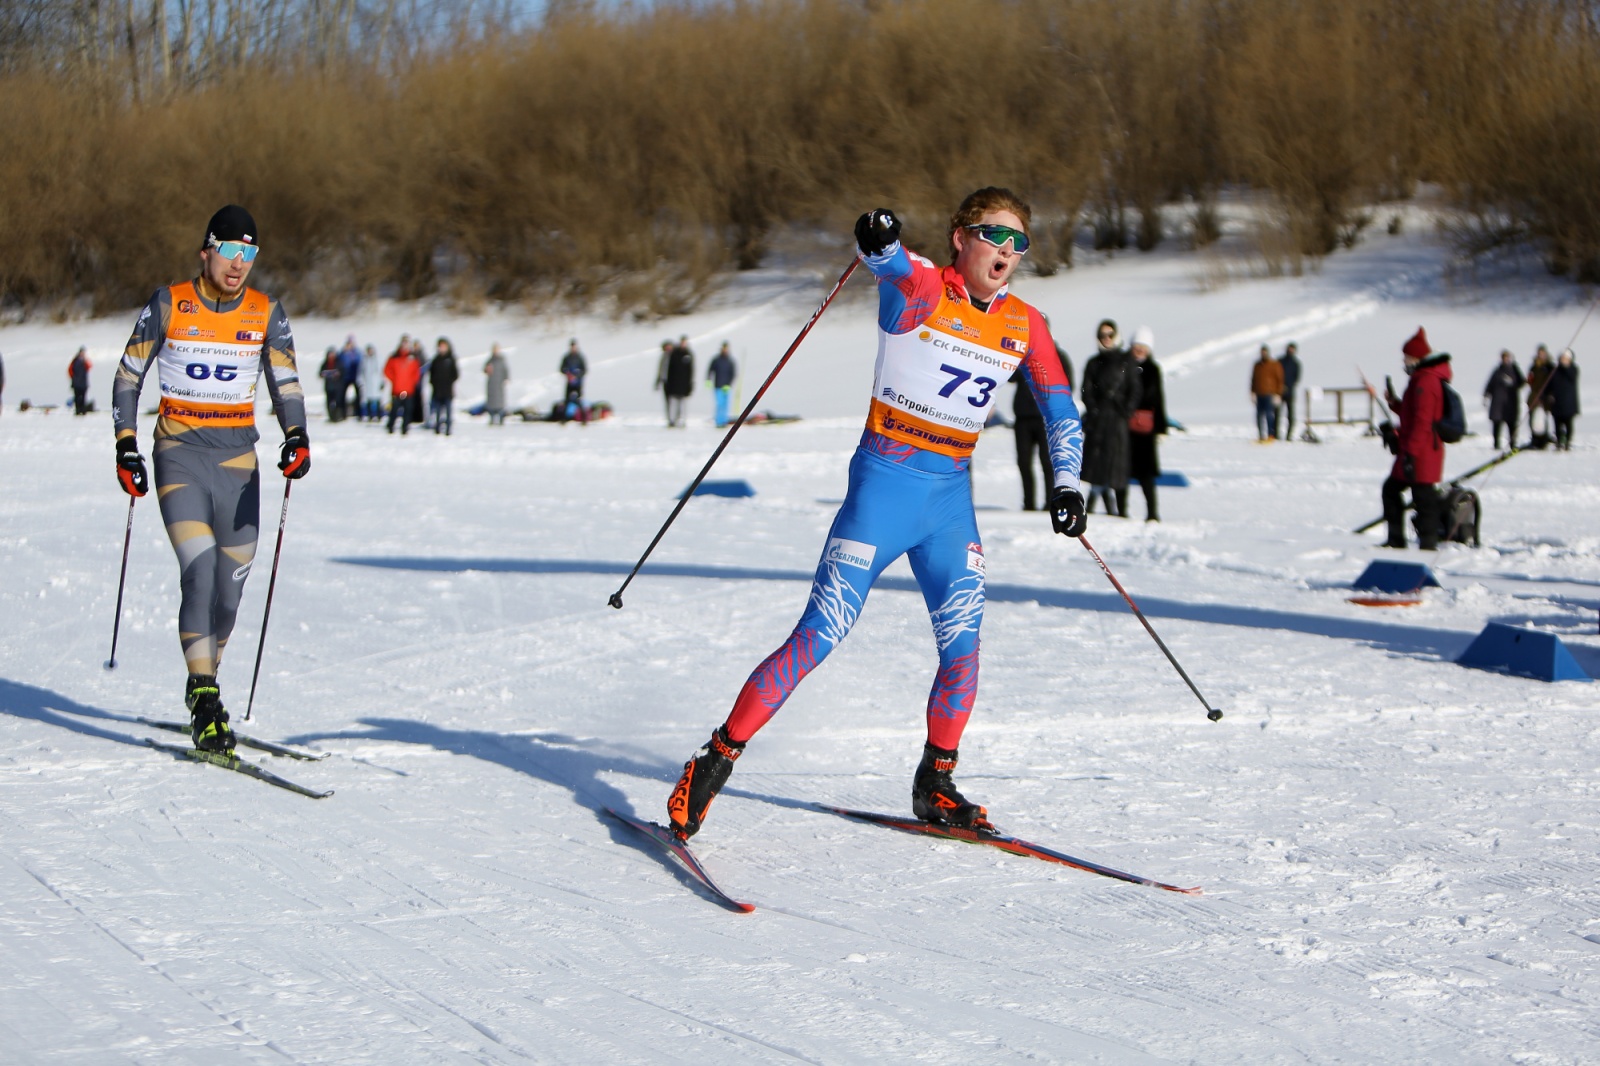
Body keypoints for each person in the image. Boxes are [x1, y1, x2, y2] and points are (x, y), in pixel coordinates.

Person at [666, 188, 1085, 842]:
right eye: (993, 235)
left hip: (948, 505)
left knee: (964, 648)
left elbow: (1060, 406)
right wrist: (877, 234)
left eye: (1018, 241)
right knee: (820, 634)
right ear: (959, 238)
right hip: (882, 493)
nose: (1006, 251)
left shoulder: (1026, 323)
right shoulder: (921, 288)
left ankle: (935, 784)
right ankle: (716, 758)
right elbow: (884, 257)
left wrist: (1066, 483)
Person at [110, 204, 308, 751]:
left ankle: (208, 682)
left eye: (250, 253)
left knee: (228, 593)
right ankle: (203, 693)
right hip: (180, 456)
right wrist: (127, 448)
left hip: (239, 466)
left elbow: (286, 383)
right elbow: (128, 377)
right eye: (230, 250)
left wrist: (297, 437)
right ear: (207, 250)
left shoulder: (267, 312)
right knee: (198, 571)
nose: (239, 263)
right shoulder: (169, 303)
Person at [1380, 327, 1451, 551]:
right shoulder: (1419, 379)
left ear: (1417, 357)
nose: (1404, 361)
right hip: (1416, 450)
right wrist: (1394, 403)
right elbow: (1412, 414)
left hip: (1422, 452)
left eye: (1407, 357)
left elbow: (1422, 422)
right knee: (1394, 491)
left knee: (1424, 499)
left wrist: (1410, 453)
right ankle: (1397, 540)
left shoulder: (1425, 382)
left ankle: (1427, 545)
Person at [1010, 315, 1073, 510]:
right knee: (1023, 462)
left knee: (1047, 462)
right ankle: (1028, 503)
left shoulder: (1058, 355)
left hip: (1046, 418)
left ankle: (1049, 502)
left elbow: (1068, 386)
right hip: (1023, 417)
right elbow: (1009, 376)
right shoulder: (1022, 354)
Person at [1079, 319, 1139, 515]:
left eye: (1110, 335)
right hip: (1098, 422)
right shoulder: (1093, 363)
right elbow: (1086, 390)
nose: (1106, 339)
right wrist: (1094, 409)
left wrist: (1126, 410)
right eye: (1102, 335)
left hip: (1118, 421)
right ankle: (1093, 507)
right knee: (1097, 466)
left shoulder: (1126, 361)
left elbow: (1135, 390)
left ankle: (1121, 510)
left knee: (1118, 467)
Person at [1126, 326, 1168, 522]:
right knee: (1122, 470)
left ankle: (1152, 512)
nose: (1140, 350)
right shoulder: (1124, 366)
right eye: (1137, 346)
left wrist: (1160, 427)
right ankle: (1120, 510)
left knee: (1146, 474)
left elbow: (1159, 398)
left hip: (1146, 429)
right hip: (1125, 425)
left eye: (1144, 346)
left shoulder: (1153, 369)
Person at [1483, 349, 1524, 450]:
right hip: (1498, 401)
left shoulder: (1515, 370)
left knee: (1512, 424)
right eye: (1504, 357)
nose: (1506, 359)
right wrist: (1486, 394)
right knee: (1497, 423)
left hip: (1511, 402)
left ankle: (1513, 443)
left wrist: (1516, 369)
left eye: (1507, 357)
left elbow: (1522, 382)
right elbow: (1490, 383)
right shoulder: (1497, 371)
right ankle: (1496, 443)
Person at [385, 339, 422, 434]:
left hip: (408, 389)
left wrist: (412, 381)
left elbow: (416, 372)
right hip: (397, 389)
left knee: (408, 410)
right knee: (394, 409)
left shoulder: (412, 358)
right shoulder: (394, 357)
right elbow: (387, 370)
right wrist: (394, 379)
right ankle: (391, 426)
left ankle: (405, 427)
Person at [656, 335, 694, 426]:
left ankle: (679, 419)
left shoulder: (683, 355)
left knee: (680, 402)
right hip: (669, 383)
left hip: (679, 384)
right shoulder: (668, 356)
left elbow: (689, 370)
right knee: (670, 402)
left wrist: (689, 383)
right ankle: (671, 419)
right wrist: (660, 381)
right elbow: (663, 370)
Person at [1250, 345, 1283, 441]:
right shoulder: (1257, 365)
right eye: (1262, 352)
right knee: (1259, 415)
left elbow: (1279, 380)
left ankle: (1270, 434)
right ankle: (1261, 434)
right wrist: (1252, 392)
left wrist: (1278, 394)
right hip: (1259, 393)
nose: (1263, 354)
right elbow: (1253, 379)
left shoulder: (1274, 364)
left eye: (1265, 352)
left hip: (1269, 393)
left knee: (1269, 415)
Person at [1549, 349, 1580, 451]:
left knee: (1568, 424)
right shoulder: (1555, 370)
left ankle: (1567, 442)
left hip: (1569, 402)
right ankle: (1558, 442)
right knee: (1557, 424)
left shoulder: (1573, 369)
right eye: (1562, 358)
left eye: (1566, 359)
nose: (1563, 360)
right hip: (1557, 402)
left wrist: (1566, 366)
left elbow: (1572, 376)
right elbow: (1550, 384)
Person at [429, 337, 459, 435]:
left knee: (448, 412)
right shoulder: (435, 360)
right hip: (437, 391)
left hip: (447, 391)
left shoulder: (451, 359)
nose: (441, 348)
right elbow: (431, 373)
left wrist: (449, 381)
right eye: (440, 347)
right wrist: (434, 382)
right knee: (437, 411)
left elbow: (455, 374)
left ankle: (448, 429)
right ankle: (437, 428)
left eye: (443, 346)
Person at [1527, 344, 1554, 447]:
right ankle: (1534, 437)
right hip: (1534, 395)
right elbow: (1530, 380)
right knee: (1532, 417)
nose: (1541, 356)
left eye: (1543, 354)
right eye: (1539, 354)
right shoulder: (1534, 367)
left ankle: (1545, 438)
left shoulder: (1550, 366)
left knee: (1544, 417)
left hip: (1546, 396)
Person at [706, 341, 737, 428]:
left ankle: (724, 421)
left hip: (726, 386)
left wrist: (729, 384)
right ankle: (719, 421)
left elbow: (733, 373)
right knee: (719, 404)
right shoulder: (716, 360)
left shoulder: (730, 361)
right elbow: (710, 370)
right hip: (718, 385)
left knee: (725, 404)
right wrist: (708, 379)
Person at [1277, 341, 1302, 441]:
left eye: (1292, 349)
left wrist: (1289, 386)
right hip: (1279, 392)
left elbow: (1297, 378)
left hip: (1290, 393)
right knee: (1277, 415)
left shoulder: (1296, 363)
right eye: (1289, 349)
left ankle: (1289, 435)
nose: (1290, 350)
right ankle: (1276, 434)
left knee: (1291, 415)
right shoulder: (1280, 361)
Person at [559, 338, 587, 423]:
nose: (573, 348)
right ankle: (565, 418)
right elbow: (562, 368)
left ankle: (583, 417)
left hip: (578, 382)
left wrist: (577, 376)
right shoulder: (567, 357)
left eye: (574, 346)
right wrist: (568, 374)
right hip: (569, 382)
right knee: (567, 400)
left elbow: (584, 370)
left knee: (579, 400)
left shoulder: (580, 357)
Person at [484, 343, 511, 425]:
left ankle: (501, 418)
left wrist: (506, 378)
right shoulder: (490, 361)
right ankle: (492, 418)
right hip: (491, 384)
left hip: (499, 384)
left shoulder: (502, 360)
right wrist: (487, 370)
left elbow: (506, 370)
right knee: (491, 402)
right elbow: (485, 370)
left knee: (500, 402)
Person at [337, 335, 363, 419]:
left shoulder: (357, 352)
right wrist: (344, 352)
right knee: (343, 395)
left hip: (355, 376)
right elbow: (340, 360)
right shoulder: (344, 352)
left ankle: (358, 412)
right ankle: (344, 412)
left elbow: (360, 361)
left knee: (358, 395)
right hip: (346, 377)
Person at [360, 343, 385, 421]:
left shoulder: (378, 360)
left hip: (376, 383)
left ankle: (379, 415)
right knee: (369, 400)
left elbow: (382, 372)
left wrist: (382, 381)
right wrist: (361, 382)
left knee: (377, 400)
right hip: (368, 383)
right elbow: (361, 372)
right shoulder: (364, 360)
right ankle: (370, 415)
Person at [319, 347, 344, 421]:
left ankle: (337, 416)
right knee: (329, 402)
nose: (331, 356)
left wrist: (338, 374)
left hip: (337, 386)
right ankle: (331, 416)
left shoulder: (338, 362)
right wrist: (324, 374)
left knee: (337, 402)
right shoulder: (325, 363)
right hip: (328, 386)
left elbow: (342, 372)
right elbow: (320, 373)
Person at [69, 346, 93, 414]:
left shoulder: (85, 361)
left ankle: (82, 410)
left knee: (83, 397)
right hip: (76, 383)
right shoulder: (75, 361)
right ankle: (78, 410)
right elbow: (70, 370)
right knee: (77, 397)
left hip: (83, 383)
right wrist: (73, 378)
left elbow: (89, 367)